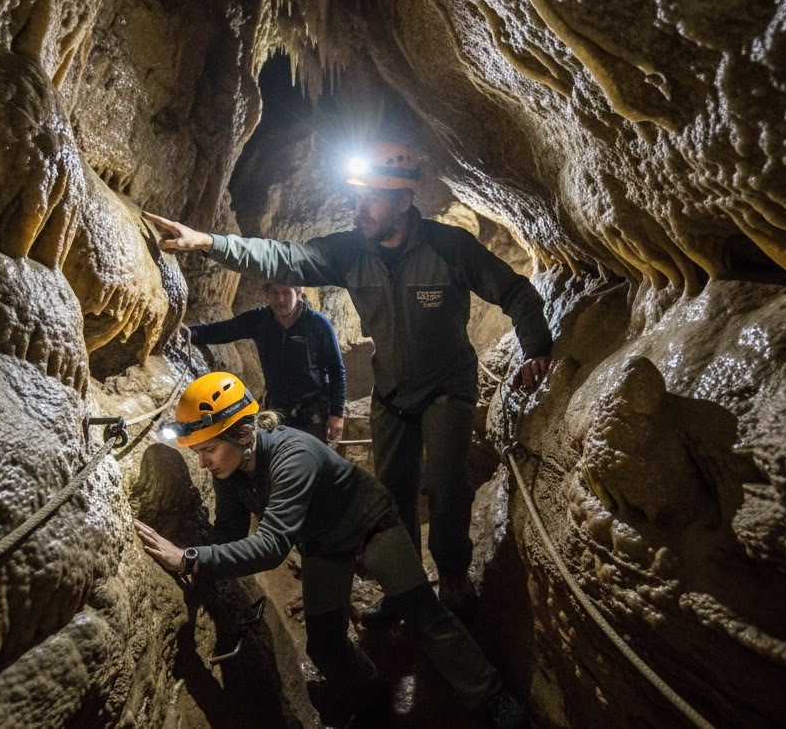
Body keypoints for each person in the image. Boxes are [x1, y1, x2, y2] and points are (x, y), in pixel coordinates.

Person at [143, 139, 552, 621]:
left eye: (371, 198)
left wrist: (537, 349)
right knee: (391, 498)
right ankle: (404, 591)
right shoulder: (351, 251)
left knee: (444, 489)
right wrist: (212, 243)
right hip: (393, 394)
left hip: (447, 389)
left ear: (404, 199)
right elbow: (284, 257)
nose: (359, 209)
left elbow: (515, 291)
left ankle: (454, 577)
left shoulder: (450, 249)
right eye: (355, 198)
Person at [134, 371, 529, 729]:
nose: (202, 463)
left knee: (422, 613)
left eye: (208, 450)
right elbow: (229, 531)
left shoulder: (293, 457)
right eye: (197, 452)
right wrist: (200, 560)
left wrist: (188, 558)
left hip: (369, 525)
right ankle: (372, 696)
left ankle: (490, 695)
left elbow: (271, 547)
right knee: (324, 643)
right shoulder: (231, 469)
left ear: (241, 433)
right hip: (323, 543)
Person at [189, 282, 346, 443]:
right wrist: (190, 333)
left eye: (286, 292)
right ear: (267, 295)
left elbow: (336, 369)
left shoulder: (317, 324)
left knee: (311, 462)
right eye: (274, 293)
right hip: (277, 409)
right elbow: (224, 330)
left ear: (299, 294)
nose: (280, 299)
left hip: (312, 413)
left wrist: (337, 414)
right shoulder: (261, 319)